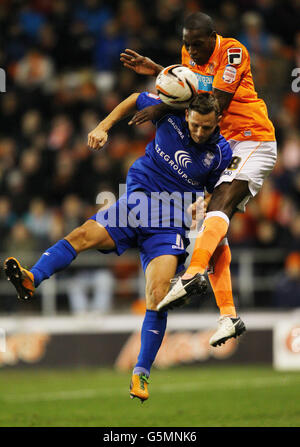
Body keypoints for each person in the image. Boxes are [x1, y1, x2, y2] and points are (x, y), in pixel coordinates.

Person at [4, 91, 232, 402]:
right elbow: (135, 98)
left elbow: (220, 196)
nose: (199, 132)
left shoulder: (220, 153)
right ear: (188, 116)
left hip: (169, 222)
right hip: (135, 203)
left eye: (206, 127)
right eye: (195, 125)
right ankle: (33, 278)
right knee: (82, 235)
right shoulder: (170, 115)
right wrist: (103, 126)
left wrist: (203, 204)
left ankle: (141, 373)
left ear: (217, 121)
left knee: (158, 295)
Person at [120, 11, 277, 347]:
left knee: (219, 205)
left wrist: (160, 107)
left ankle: (192, 274)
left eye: (197, 44)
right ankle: (228, 315)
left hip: (252, 138)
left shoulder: (233, 52)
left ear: (212, 36)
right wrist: (160, 72)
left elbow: (212, 104)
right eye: (186, 44)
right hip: (224, 146)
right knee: (212, 227)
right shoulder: (187, 55)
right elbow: (187, 86)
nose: (190, 51)